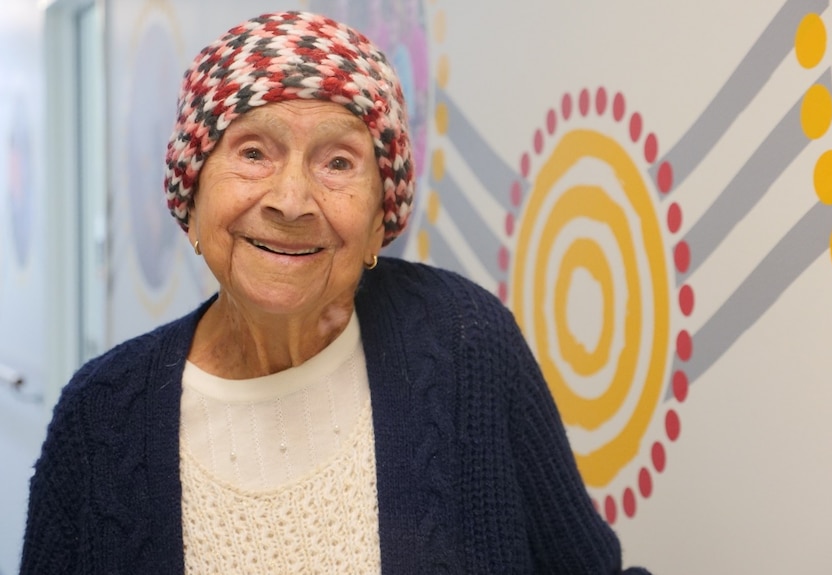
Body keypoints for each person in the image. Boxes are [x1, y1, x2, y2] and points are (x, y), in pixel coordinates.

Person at [20, 11, 650, 574]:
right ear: (192, 193)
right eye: (254, 151)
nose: (291, 201)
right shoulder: (99, 418)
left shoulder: (464, 343)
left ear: (380, 218)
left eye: (339, 163)